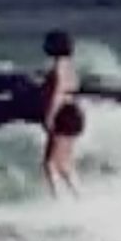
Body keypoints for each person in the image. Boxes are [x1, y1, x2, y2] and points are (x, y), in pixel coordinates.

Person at [40, 29, 84, 198]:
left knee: (51, 164)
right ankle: (78, 196)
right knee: (65, 163)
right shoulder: (71, 65)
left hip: (64, 113)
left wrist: (50, 116)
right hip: (73, 111)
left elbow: (58, 92)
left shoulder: (60, 66)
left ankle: (60, 199)